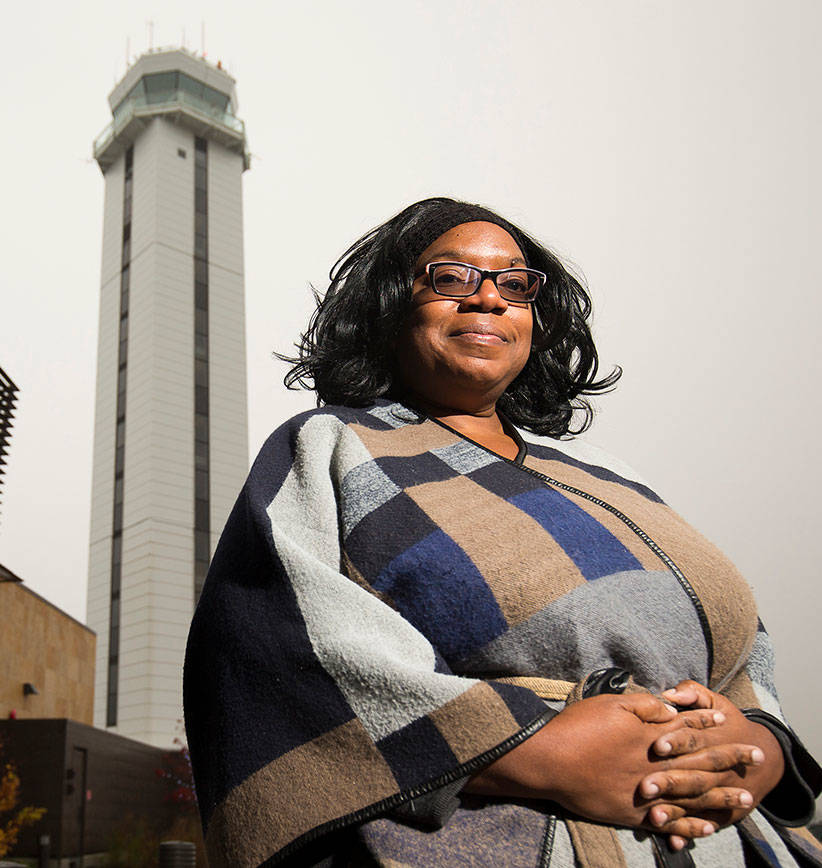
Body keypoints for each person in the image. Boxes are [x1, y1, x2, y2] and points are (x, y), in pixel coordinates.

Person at [182, 198, 822, 868]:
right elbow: (274, 650)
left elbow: (740, 642)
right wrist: (541, 755)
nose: (487, 300)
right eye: (451, 278)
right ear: (394, 306)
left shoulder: (612, 475)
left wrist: (761, 748)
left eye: (513, 285)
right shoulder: (332, 447)